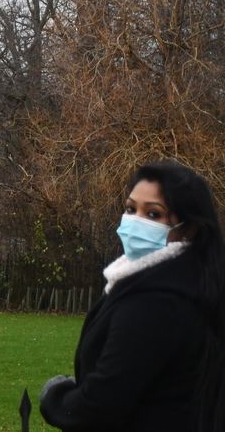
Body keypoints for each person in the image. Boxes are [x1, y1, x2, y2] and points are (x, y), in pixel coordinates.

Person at [39, 161, 225, 432]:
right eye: (130, 209)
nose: (135, 221)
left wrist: (56, 398)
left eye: (153, 214)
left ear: (189, 228)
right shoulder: (192, 284)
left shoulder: (155, 302)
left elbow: (101, 403)